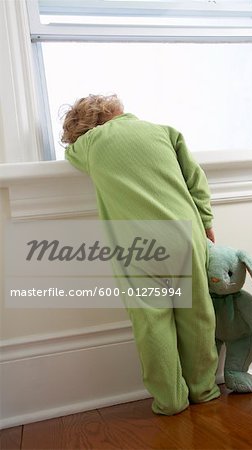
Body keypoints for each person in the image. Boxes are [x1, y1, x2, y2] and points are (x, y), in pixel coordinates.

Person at [62, 93, 220, 415]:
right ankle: (204, 389)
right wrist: (205, 223)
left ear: (84, 128)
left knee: (152, 324)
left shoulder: (89, 146)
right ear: (117, 110)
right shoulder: (165, 131)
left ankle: (171, 400)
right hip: (186, 237)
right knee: (198, 316)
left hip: (138, 250)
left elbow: (70, 155)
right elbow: (196, 182)